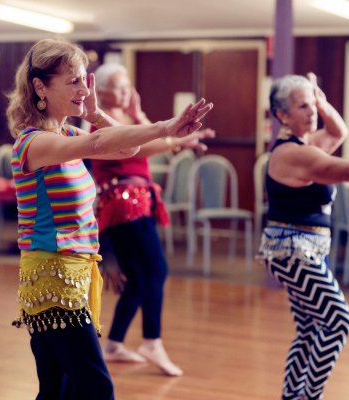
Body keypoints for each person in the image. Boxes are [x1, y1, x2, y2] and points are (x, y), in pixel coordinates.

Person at [8, 38, 212, 399]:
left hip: (70, 277)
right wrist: (166, 128)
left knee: (60, 390)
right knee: (96, 389)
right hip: (53, 281)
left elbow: (125, 147)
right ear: (40, 86)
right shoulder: (33, 144)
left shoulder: (69, 132)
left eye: (85, 79)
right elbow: (101, 145)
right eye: (72, 81)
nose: (83, 88)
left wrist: (94, 114)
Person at [90, 63, 215, 376]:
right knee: (156, 269)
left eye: (127, 85)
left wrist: (142, 114)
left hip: (133, 201)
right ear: (100, 92)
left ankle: (115, 344)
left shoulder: (127, 119)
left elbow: (149, 141)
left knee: (137, 277)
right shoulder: (100, 125)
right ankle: (151, 340)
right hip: (123, 204)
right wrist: (178, 140)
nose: (125, 91)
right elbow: (138, 149)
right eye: (118, 87)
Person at [257, 72, 349, 400]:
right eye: (303, 106)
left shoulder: (309, 144)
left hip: (299, 250)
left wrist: (321, 102)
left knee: (310, 329)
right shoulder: (293, 154)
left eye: (312, 105)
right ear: (282, 115)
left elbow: (339, 131)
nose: (311, 113)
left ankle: (292, 396)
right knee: (338, 321)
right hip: (294, 252)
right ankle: (310, 396)